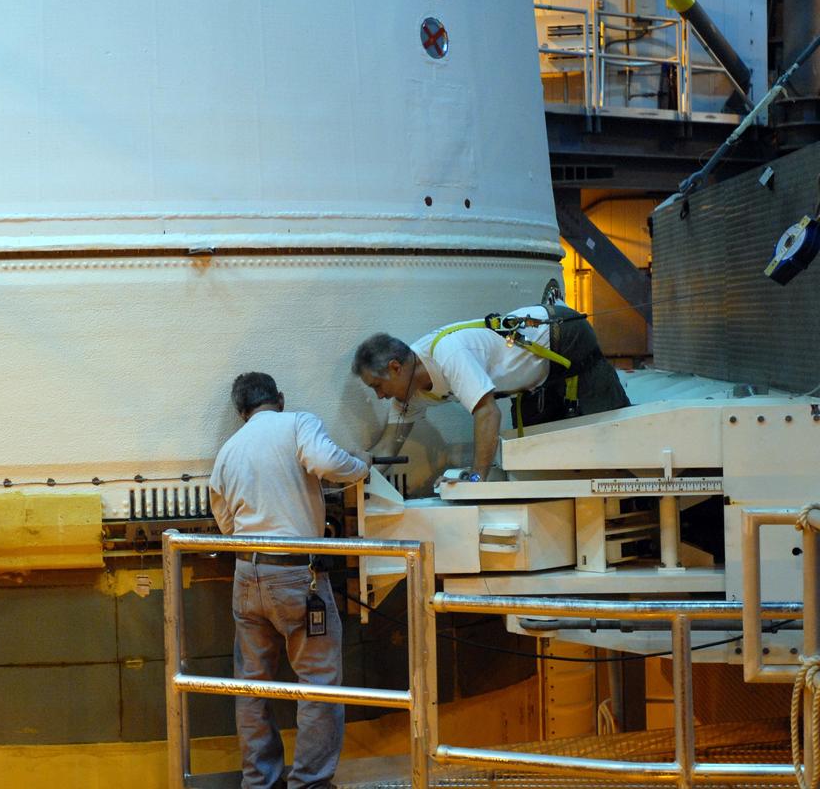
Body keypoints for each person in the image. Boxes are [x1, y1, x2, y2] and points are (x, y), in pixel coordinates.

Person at [208, 372, 371, 789]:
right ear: (279, 399)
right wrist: (361, 466)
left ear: (241, 413)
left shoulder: (228, 450)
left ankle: (259, 781)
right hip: (297, 574)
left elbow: (225, 522)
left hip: (246, 573)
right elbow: (329, 464)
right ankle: (310, 783)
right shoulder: (298, 423)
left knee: (252, 683)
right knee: (318, 680)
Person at [350, 303, 630, 481]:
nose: (380, 396)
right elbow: (387, 448)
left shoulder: (448, 353)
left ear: (395, 367)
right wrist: (357, 466)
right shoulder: (408, 395)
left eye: (377, 386)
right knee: (538, 457)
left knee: (614, 433)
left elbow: (487, 413)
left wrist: (475, 479)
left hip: (563, 336)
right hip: (536, 376)